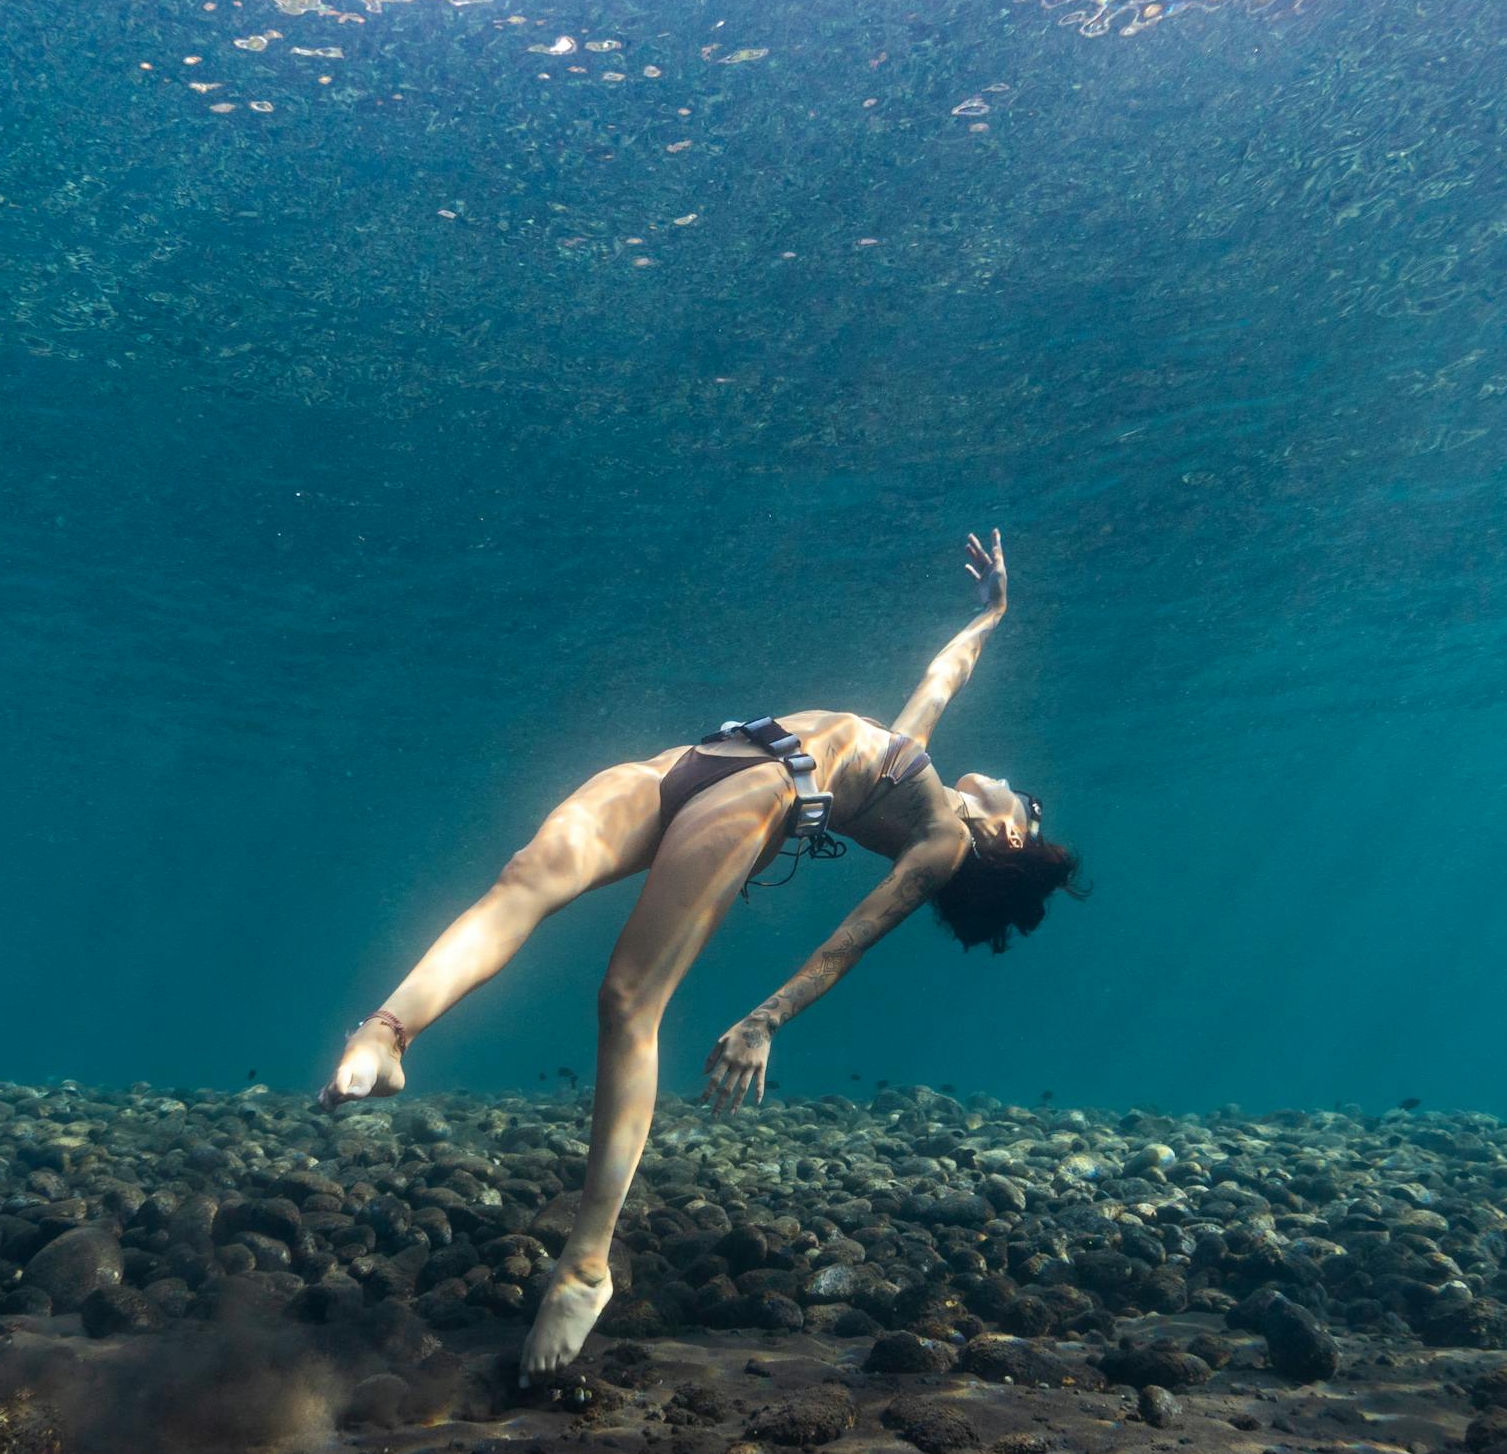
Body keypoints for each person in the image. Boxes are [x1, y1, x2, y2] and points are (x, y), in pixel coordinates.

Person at [318, 532, 1086, 1382]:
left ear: (1012, 835)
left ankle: (587, 1264)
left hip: (762, 793)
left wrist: (767, 1019)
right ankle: (389, 1032)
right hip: (699, 760)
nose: (1018, 785)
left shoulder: (943, 839)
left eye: (1030, 803)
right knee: (526, 877)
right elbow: (947, 674)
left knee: (627, 1000)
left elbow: (853, 938)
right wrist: (993, 612)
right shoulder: (918, 759)